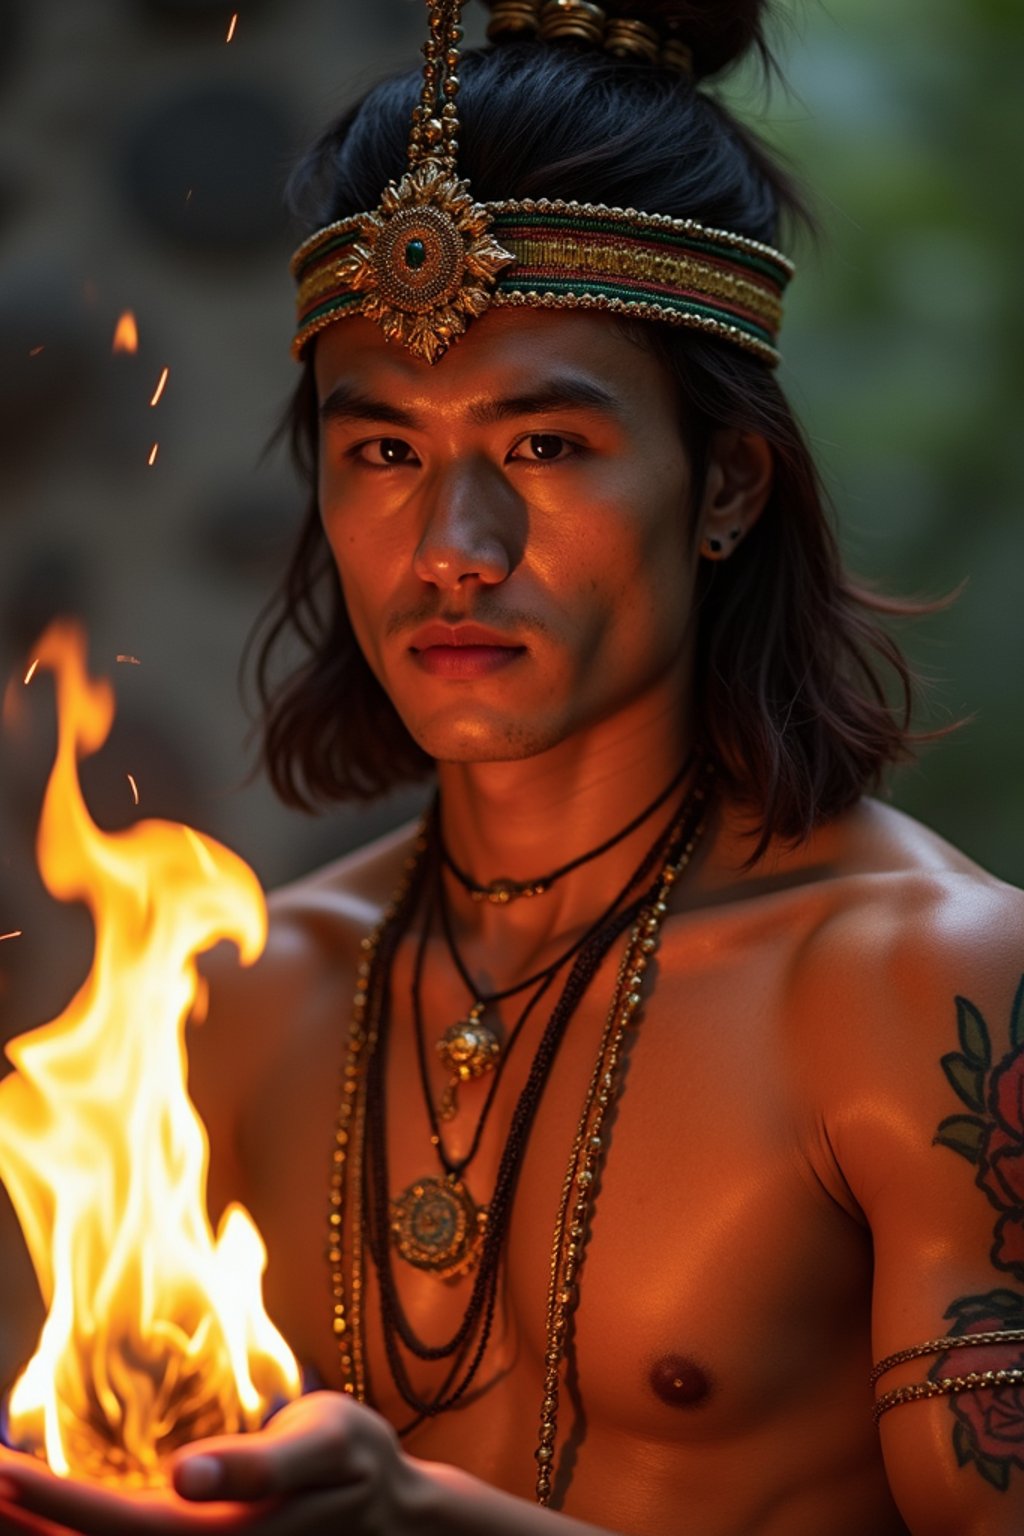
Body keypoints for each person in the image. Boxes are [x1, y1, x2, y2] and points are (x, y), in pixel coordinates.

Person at [1, 1, 1024, 1533]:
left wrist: (423, 1522)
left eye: (544, 447)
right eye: (387, 453)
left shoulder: (924, 991)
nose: (454, 552)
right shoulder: (242, 1000)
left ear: (727, 483)